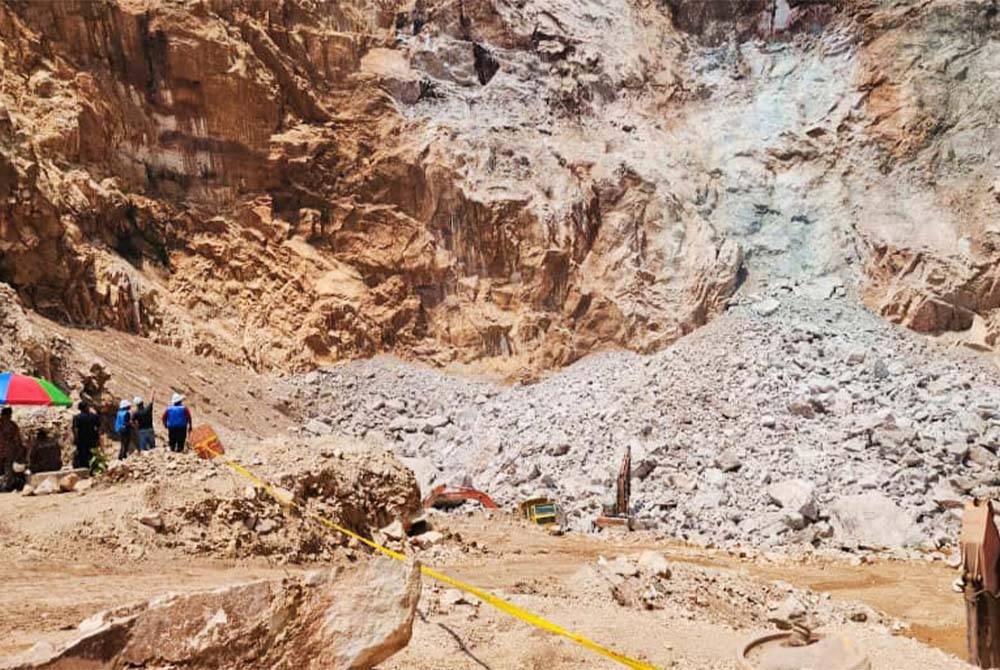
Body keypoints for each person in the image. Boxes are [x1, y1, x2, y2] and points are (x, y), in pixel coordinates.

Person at [0, 407, 26, 492]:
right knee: (8, 470)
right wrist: (20, 450)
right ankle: (5, 487)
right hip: (9, 451)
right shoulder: (12, 425)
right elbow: (17, 440)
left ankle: (4, 485)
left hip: (4, 451)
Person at [72, 401, 102, 469]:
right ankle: (93, 468)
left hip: (81, 439)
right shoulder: (94, 416)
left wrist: (75, 439)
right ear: (87, 407)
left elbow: (75, 429)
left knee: (82, 455)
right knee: (92, 454)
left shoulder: (77, 418)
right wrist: (98, 437)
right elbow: (99, 428)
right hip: (93, 439)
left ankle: (84, 468)